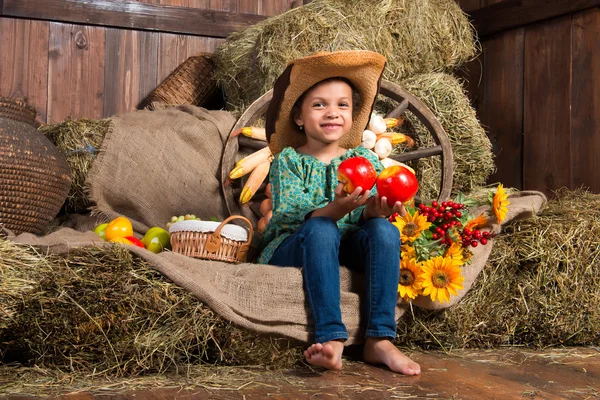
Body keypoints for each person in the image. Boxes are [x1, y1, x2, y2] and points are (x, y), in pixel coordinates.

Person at [257, 50, 420, 375]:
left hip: (346, 244)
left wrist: (375, 211)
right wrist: (333, 209)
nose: (332, 113)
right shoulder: (289, 161)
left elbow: (368, 217)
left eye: (342, 105)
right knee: (322, 230)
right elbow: (288, 216)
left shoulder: (366, 161)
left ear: (352, 113)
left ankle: (379, 339)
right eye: (320, 104)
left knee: (385, 231)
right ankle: (331, 337)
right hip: (294, 245)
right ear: (299, 116)